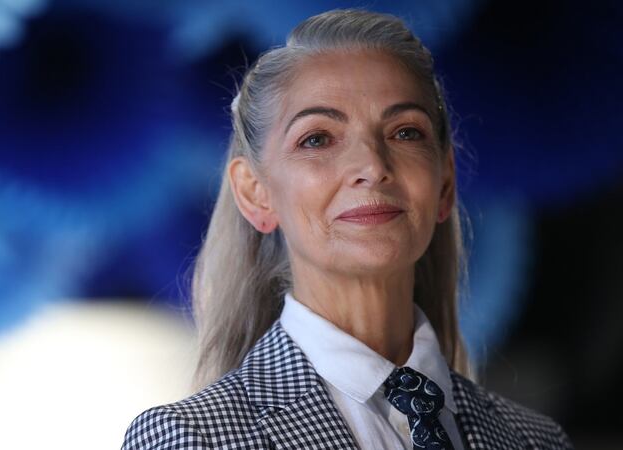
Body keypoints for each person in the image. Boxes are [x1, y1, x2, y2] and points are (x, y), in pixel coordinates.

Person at [123, 8, 572, 450]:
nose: (373, 167)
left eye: (405, 132)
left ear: (445, 184)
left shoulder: (535, 440)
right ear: (256, 193)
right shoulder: (191, 440)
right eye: (317, 138)